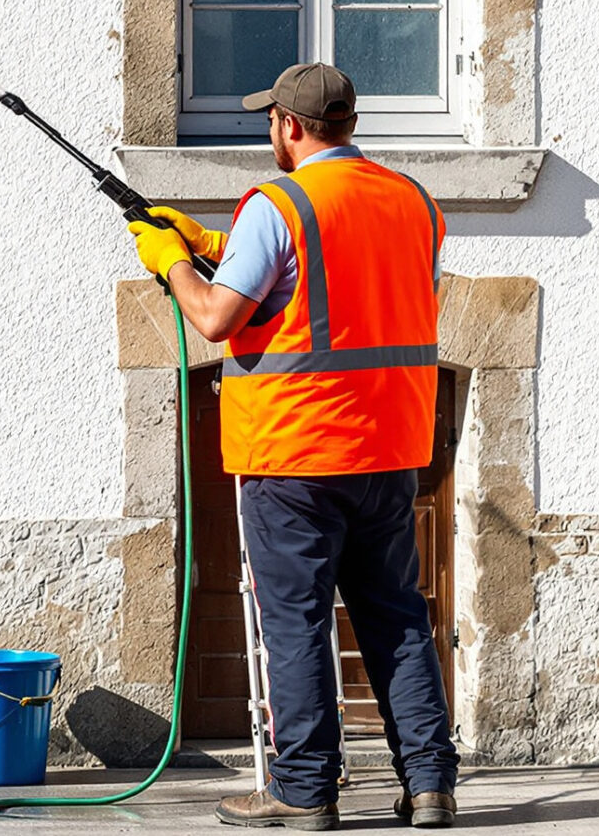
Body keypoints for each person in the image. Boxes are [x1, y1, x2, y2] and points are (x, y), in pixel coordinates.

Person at [128, 62, 457, 831]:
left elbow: (215, 315)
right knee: (396, 615)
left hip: (294, 452)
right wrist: (212, 237)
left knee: (297, 620)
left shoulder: (277, 204)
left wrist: (169, 258)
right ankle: (431, 784)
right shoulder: (413, 202)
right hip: (388, 448)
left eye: (269, 119)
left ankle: (304, 789)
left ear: (289, 125)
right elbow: (339, 285)